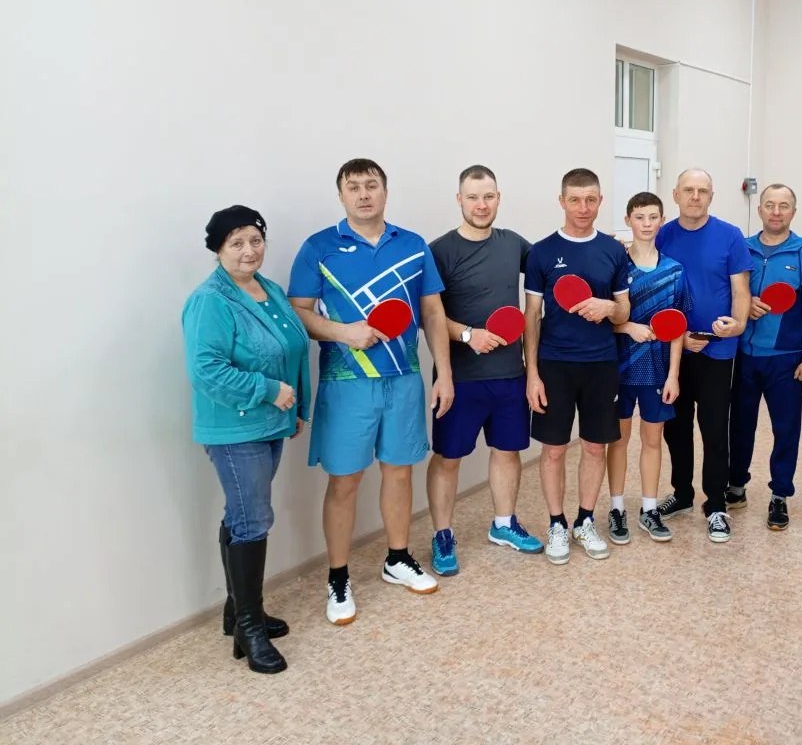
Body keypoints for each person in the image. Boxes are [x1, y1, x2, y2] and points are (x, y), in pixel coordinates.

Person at [289, 158, 454, 626]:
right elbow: (298, 312)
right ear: (341, 195)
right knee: (344, 481)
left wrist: (444, 374)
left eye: (371, 185)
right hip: (346, 384)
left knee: (399, 472)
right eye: (353, 187)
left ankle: (397, 558)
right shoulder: (318, 247)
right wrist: (344, 332)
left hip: (404, 378)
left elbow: (433, 314)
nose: (363, 194)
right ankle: (338, 577)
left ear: (385, 191)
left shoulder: (413, 245)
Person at [182, 205, 311, 674]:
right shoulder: (210, 301)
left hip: (271, 423)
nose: (248, 250)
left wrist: (296, 408)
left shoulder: (268, 289)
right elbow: (206, 369)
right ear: (218, 249)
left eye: (255, 240)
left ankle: (237, 611)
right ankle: (250, 630)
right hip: (234, 428)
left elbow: (294, 349)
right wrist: (269, 391)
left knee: (242, 514)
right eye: (236, 243)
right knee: (253, 519)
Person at [425, 165, 543, 576]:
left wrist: (612, 250)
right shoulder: (439, 251)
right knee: (448, 457)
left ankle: (504, 524)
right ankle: (442, 535)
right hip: (460, 379)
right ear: (459, 200)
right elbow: (429, 315)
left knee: (508, 451)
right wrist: (468, 335)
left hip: (510, 373)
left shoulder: (514, 244)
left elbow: (553, 265)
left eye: (488, 196)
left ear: (498, 198)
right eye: (473, 197)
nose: (481, 205)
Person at [524, 168, 631, 565]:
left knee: (594, 446)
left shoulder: (613, 251)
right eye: (575, 200)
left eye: (590, 200)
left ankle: (585, 521)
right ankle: (557, 524)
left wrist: (609, 308)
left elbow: (624, 310)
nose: (583, 208)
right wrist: (532, 374)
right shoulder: (541, 252)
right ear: (562, 201)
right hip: (554, 364)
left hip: (601, 363)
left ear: (600, 201)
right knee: (553, 450)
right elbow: (531, 316)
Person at [654, 169, 752, 543]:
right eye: (689, 190)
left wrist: (738, 324)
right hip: (674, 350)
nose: (695, 196)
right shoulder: (662, 235)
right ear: (676, 195)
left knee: (713, 429)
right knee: (676, 427)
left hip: (717, 349)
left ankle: (716, 505)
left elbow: (740, 291)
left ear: (711, 196)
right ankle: (682, 494)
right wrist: (679, 336)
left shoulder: (730, 236)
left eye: (703, 191)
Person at [727, 184, 802, 531]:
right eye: (769, 204)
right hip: (743, 355)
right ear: (760, 210)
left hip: (785, 359)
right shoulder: (742, 249)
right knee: (740, 425)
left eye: (783, 206)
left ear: (793, 212)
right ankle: (736, 485)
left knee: (786, 429)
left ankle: (780, 495)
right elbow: (729, 292)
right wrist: (745, 304)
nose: (776, 211)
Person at [605, 192, 685, 544]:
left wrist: (673, 375)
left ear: (662, 221)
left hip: (658, 370)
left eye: (653, 217)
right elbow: (601, 319)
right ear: (628, 220)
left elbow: (678, 326)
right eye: (640, 217)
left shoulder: (674, 270)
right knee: (618, 440)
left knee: (653, 440)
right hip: (619, 369)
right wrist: (628, 328)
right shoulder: (616, 266)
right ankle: (617, 508)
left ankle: (649, 509)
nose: (647, 224)